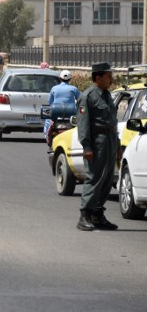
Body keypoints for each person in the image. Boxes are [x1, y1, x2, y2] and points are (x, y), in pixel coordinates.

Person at [75, 62, 119, 231]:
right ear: (98, 77)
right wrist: (87, 147)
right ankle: (84, 215)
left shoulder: (107, 96)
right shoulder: (88, 96)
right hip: (97, 143)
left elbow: (113, 122)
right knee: (94, 178)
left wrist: (118, 145)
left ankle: (98, 215)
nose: (111, 79)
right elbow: (83, 124)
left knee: (107, 180)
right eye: (108, 76)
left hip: (110, 141)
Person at [44, 69, 82, 143]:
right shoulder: (73, 88)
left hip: (55, 112)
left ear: (60, 78)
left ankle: (47, 139)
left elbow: (50, 102)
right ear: (70, 79)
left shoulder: (54, 88)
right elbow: (80, 100)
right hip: (70, 113)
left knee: (47, 122)